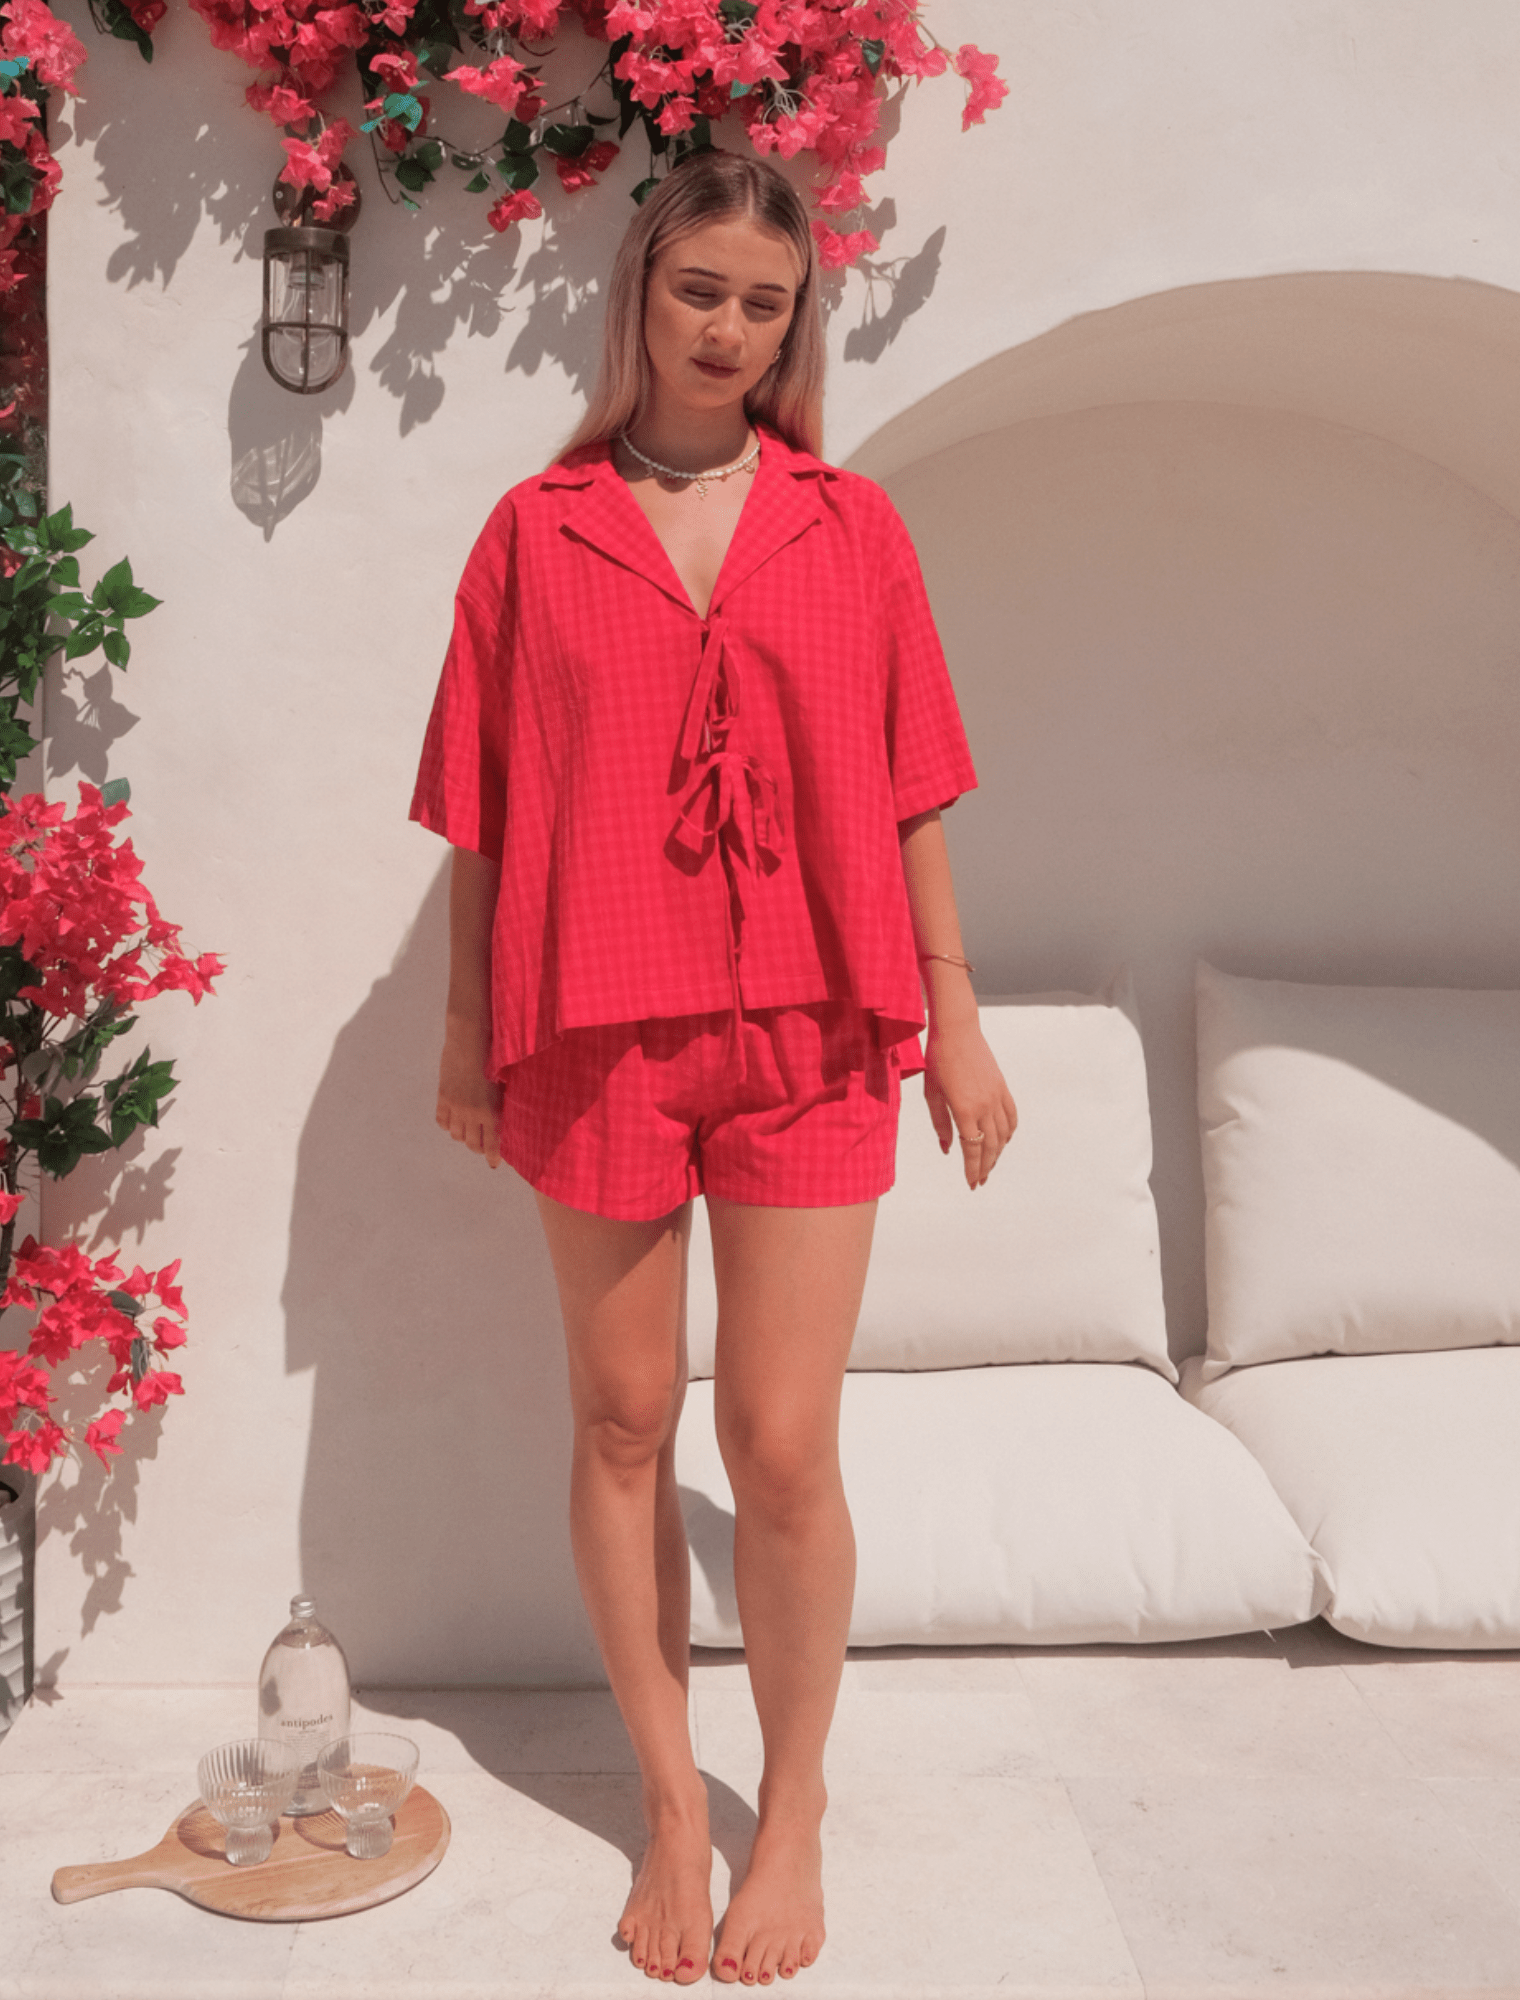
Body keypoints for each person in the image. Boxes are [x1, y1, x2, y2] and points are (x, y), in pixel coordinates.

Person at [412, 147, 1016, 1989]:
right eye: (699, 293)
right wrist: (465, 1034)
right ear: (639, 295)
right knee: (621, 1420)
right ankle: (674, 1804)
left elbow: (912, 783)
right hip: (594, 1025)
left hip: (813, 1026)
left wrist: (954, 1014)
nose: (729, 330)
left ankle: (796, 1804)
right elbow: (484, 811)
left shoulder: (852, 526)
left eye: (765, 303)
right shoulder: (536, 531)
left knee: (780, 1441)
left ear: (793, 320)